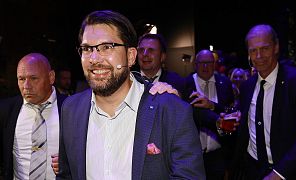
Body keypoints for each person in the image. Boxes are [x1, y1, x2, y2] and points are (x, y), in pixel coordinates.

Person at [56, 10, 205, 180]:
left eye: (106, 47)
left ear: (130, 56)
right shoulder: (70, 109)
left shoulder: (171, 109)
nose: (94, 58)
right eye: (87, 49)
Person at [231, 24, 296, 180]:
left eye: (264, 48)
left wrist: (278, 174)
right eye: (253, 51)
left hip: (288, 172)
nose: (259, 56)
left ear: (276, 47)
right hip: (253, 171)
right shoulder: (247, 87)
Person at [0, 53, 68, 180]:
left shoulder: (71, 108)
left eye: (34, 78)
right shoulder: (6, 110)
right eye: (21, 79)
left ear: (51, 77)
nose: (26, 86)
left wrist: (70, 162)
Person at [183, 49, 234, 179]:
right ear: (195, 64)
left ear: (214, 64)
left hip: (217, 154)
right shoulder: (185, 84)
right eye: (202, 63)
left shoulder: (224, 83)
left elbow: (229, 113)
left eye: (209, 63)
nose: (205, 66)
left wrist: (212, 105)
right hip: (192, 156)